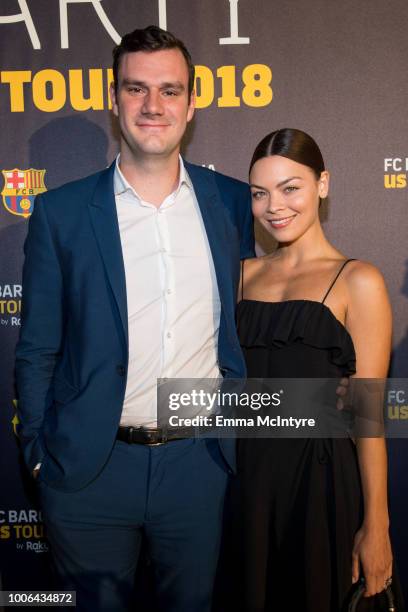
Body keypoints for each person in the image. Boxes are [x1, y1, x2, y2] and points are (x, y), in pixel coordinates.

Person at [15, 26, 254, 612]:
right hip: (90, 472)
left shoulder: (232, 204)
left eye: (170, 90)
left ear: (192, 104)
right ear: (114, 98)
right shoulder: (61, 213)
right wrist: (39, 453)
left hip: (198, 465)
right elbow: (37, 348)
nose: (153, 106)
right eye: (137, 89)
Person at [230, 128, 403, 611]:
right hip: (242, 484)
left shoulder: (358, 280)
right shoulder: (237, 276)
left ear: (322, 185)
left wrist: (377, 525)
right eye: (260, 193)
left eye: (291, 188)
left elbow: (368, 418)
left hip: (320, 483)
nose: (274, 206)